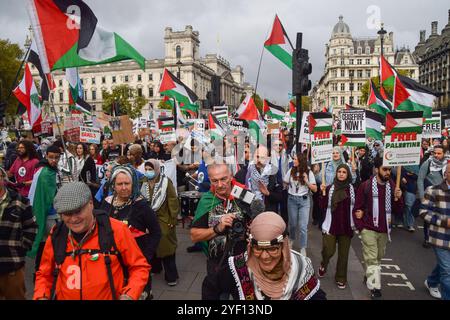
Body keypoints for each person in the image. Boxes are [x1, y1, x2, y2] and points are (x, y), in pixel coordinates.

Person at [33, 182, 150, 300]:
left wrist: (129, 295)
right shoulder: (57, 234)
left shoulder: (117, 230)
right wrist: (41, 296)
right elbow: (44, 274)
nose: (73, 219)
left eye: (78, 211)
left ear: (91, 204)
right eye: (67, 214)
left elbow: (139, 267)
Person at [214, 211, 326, 300]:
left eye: (272, 249)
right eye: (257, 248)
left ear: (284, 246)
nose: (264, 256)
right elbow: (211, 286)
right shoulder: (239, 266)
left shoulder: (301, 266)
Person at [190, 163, 263, 300]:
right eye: (214, 181)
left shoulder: (243, 193)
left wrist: (252, 228)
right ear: (209, 180)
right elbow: (194, 236)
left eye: (223, 179)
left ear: (231, 177)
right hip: (217, 264)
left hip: (244, 264)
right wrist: (217, 228)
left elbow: (260, 218)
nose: (219, 185)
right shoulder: (207, 200)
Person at [100, 165, 161, 300]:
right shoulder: (106, 204)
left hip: (135, 264)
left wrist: (146, 256)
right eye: (119, 184)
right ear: (113, 185)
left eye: (127, 183)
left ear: (133, 184)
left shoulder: (141, 206)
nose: (123, 187)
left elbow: (156, 232)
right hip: (112, 264)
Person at [352, 157, 403, 299]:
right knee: (372, 258)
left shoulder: (393, 186)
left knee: (378, 258)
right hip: (369, 228)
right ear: (376, 169)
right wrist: (361, 227)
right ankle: (375, 287)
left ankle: (368, 274)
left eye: (389, 169)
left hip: (384, 230)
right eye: (384, 169)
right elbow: (357, 208)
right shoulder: (366, 186)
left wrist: (399, 197)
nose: (388, 172)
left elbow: (399, 210)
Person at [0, 166, 37, 299]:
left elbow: (31, 227)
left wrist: (22, 248)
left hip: (12, 264)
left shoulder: (20, 201)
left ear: (4, 179)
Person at [141, 159, 180, 286]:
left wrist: (172, 220)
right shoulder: (143, 182)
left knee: (167, 249)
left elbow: (173, 201)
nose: (148, 172)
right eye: (146, 169)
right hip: (148, 221)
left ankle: (171, 276)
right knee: (152, 246)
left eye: (150, 169)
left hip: (164, 220)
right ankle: (156, 268)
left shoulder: (165, 182)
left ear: (157, 169)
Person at [318, 164, 355, 289]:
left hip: (346, 227)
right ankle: (324, 264)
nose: (341, 174)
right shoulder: (329, 188)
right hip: (331, 225)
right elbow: (322, 206)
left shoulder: (351, 189)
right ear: (336, 173)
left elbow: (356, 206)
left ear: (348, 174)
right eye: (339, 171)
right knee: (328, 250)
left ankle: (340, 277)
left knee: (343, 255)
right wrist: (322, 193)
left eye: (344, 172)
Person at [28, 144, 61, 275]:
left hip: (51, 212)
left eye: (56, 158)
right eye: (51, 157)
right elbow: (50, 196)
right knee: (48, 242)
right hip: (48, 213)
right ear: (46, 156)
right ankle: (41, 271)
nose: (54, 160)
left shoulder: (49, 169)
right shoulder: (45, 172)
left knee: (47, 240)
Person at [421, 163, 450, 300]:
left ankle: (431, 281)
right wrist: (444, 222)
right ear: (446, 174)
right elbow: (423, 213)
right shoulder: (433, 190)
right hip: (440, 237)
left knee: (445, 266)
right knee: (447, 271)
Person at [284, 153, 317, 256]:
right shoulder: (291, 171)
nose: (293, 161)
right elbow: (285, 182)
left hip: (304, 201)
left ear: (300, 161)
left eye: (295, 159)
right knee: (293, 224)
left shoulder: (309, 172)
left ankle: (303, 247)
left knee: (303, 226)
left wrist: (306, 181)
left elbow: (315, 189)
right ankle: (292, 239)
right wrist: (287, 186)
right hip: (292, 200)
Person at [418, 145, 446, 248]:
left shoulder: (447, 164)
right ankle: (427, 238)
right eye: (435, 153)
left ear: (444, 154)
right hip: (430, 196)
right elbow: (420, 179)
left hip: (444, 196)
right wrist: (422, 196)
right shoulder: (428, 163)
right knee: (428, 218)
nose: (436, 155)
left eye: (439, 153)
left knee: (442, 217)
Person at [246, 145, 283, 213]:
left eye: (262, 158)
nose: (258, 160)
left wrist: (268, 193)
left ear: (268, 159)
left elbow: (280, 197)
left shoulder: (274, 172)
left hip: (268, 213)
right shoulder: (246, 171)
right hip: (250, 212)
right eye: (257, 156)